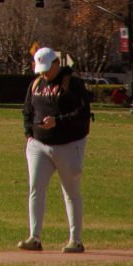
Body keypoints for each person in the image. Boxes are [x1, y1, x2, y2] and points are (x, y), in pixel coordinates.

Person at [20, 46, 92, 252]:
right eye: (40, 69)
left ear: (57, 64)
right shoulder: (35, 84)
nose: (44, 73)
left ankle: (75, 240)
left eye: (47, 69)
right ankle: (34, 237)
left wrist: (58, 122)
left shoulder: (73, 84)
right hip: (38, 144)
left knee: (70, 192)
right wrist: (29, 134)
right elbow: (27, 109)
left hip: (69, 144)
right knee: (35, 189)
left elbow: (83, 113)